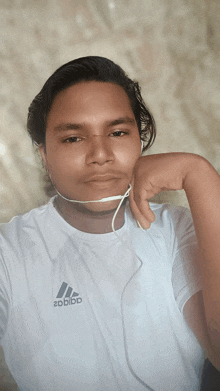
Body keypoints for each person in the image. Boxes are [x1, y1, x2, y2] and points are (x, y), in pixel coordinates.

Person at [0, 56, 220, 391]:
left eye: (117, 132)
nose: (100, 154)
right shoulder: (8, 250)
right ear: (43, 153)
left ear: (140, 140)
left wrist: (199, 175)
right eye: (73, 138)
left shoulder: (179, 230)